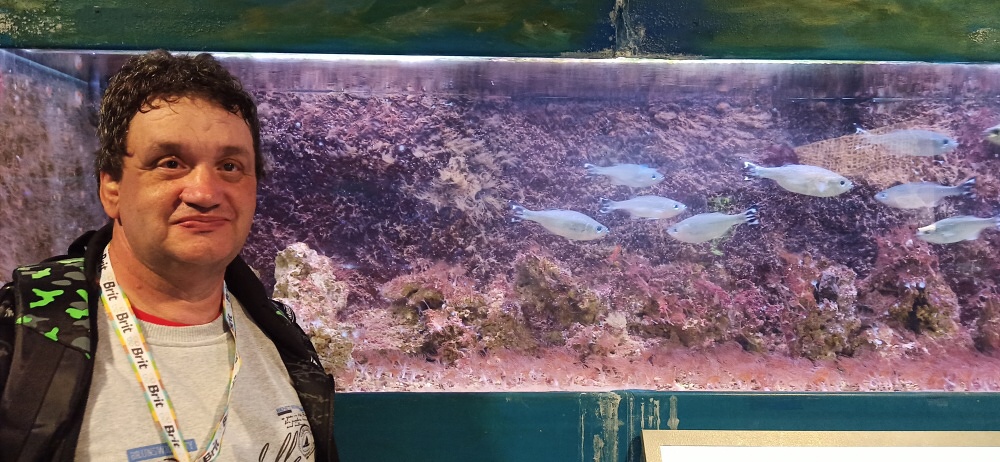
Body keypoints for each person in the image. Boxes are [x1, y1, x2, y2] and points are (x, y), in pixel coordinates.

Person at [0, 50, 340, 462]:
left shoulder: (283, 337)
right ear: (111, 188)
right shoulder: (23, 339)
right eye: (171, 163)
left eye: (230, 166)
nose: (205, 193)